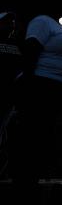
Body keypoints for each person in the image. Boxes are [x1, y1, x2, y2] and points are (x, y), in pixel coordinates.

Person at [12, 0, 62, 205]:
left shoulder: (54, 26)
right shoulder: (41, 23)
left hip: (53, 91)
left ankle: (29, 202)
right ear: (55, 1)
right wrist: (29, 91)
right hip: (40, 90)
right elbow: (30, 52)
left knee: (41, 146)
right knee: (31, 147)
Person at [0, 12, 21, 180]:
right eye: (7, 22)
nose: (11, 25)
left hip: (10, 98)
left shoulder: (17, 44)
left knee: (5, 133)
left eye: (12, 22)